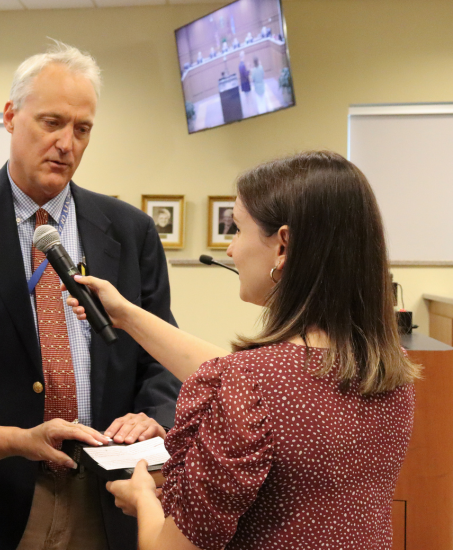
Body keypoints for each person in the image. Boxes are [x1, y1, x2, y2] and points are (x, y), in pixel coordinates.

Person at [0, 41, 182, 550]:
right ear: (10, 117)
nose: (67, 143)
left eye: (82, 128)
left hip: (106, 492)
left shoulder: (129, 230)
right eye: (52, 123)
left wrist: (154, 414)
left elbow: (163, 351)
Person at [67, 151, 419, 550]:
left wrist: (145, 498)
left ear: (282, 246)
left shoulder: (251, 385)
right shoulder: (392, 373)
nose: (231, 250)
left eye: (236, 229)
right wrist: (128, 315)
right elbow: (272, 384)